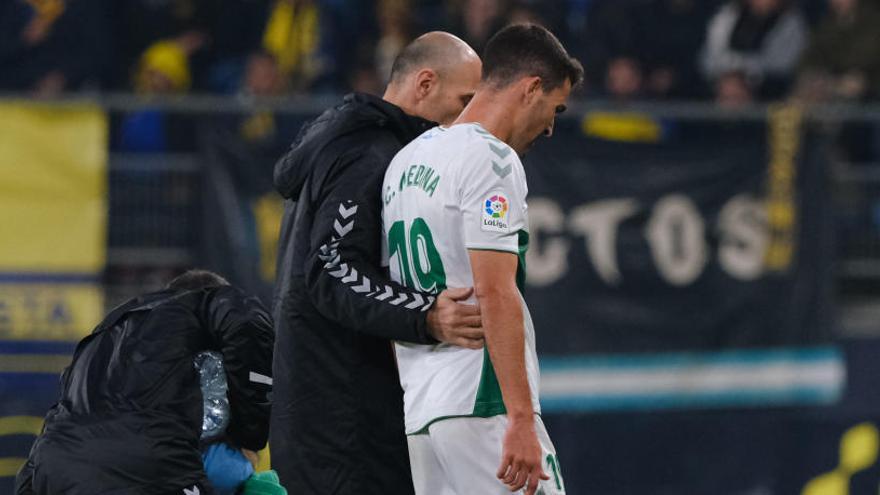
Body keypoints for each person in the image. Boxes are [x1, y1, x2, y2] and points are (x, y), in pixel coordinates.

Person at [270, 32, 482, 494]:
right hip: (343, 422)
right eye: (464, 101)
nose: (469, 119)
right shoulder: (370, 153)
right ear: (425, 83)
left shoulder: (349, 145)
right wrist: (425, 313)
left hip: (322, 410)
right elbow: (331, 267)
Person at [381, 24, 582, 495]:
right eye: (555, 108)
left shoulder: (405, 163)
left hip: (421, 410)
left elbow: (394, 293)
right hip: (481, 400)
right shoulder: (492, 160)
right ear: (530, 88)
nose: (551, 126)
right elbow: (494, 289)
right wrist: (519, 419)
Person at [16, 270, 274, 495]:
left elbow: (60, 419)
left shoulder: (103, 335)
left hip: (56, 472)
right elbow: (247, 322)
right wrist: (250, 435)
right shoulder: (205, 303)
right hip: (151, 471)